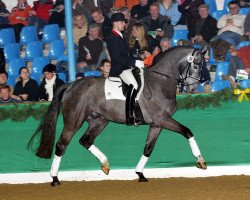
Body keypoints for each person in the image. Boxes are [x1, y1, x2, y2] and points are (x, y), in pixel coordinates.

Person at [106, 13, 144, 125]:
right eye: (122, 22)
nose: (124, 24)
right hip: (120, 69)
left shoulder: (120, 36)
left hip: (126, 67)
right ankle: (129, 116)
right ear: (116, 23)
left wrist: (137, 58)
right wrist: (134, 62)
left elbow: (126, 54)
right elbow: (118, 58)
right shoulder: (112, 38)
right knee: (135, 85)